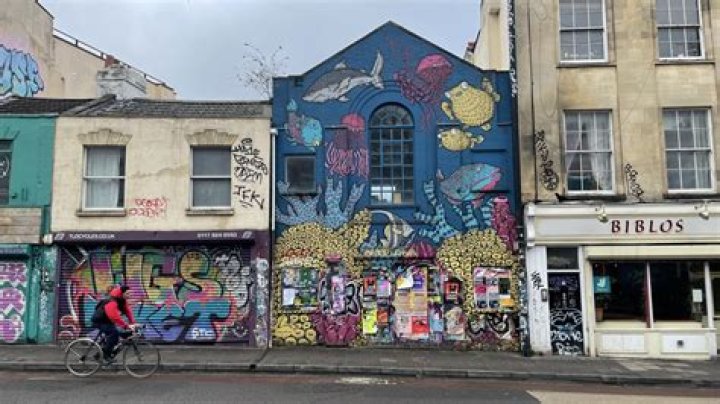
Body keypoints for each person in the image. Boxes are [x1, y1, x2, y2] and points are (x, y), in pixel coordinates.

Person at [92, 285, 137, 363]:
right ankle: (106, 355)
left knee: (118, 334)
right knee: (114, 334)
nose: (130, 295)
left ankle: (99, 355)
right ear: (122, 293)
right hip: (100, 321)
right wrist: (126, 326)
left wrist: (133, 323)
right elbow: (114, 317)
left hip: (107, 321)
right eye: (127, 293)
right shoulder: (112, 301)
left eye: (130, 293)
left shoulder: (122, 300)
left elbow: (128, 312)